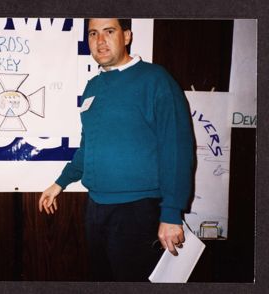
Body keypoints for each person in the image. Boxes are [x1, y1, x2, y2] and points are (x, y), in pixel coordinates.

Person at [39, 18, 195, 281]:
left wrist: (171, 213)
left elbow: (177, 149)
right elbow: (88, 146)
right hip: (96, 208)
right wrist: (59, 183)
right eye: (93, 33)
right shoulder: (93, 87)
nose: (100, 41)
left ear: (127, 36)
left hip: (138, 211)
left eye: (109, 31)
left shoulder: (156, 79)